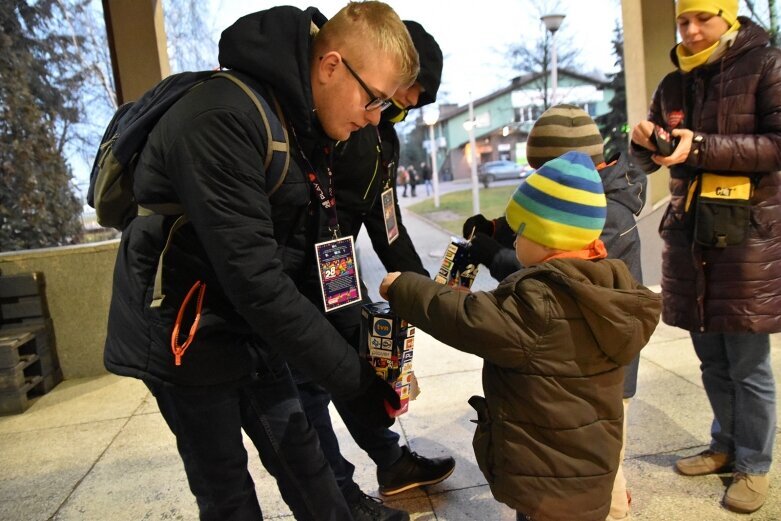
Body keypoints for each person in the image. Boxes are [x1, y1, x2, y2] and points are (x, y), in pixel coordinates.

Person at [102, 3, 419, 520]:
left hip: (246, 324)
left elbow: (319, 254)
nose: (373, 117)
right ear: (331, 66)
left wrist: (361, 351)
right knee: (227, 488)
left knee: (305, 461)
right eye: (375, 98)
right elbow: (256, 281)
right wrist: (354, 381)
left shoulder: (306, 125)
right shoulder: (221, 117)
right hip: (184, 331)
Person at [379, 151, 662, 521]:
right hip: (589, 467)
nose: (514, 243)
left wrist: (405, 288)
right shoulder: (606, 286)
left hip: (546, 479)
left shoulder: (541, 303)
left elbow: (469, 319)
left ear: (547, 239)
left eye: (520, 233)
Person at [292, 20, 453, 521]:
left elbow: (388, 226)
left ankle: (390, 462)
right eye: (410, 89)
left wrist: (424, 293)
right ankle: (338, 493)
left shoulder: (383, 138)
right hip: (298, 276)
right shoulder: (338, 119)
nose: (407, 103)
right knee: (311, 386)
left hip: (336, 272)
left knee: (357, 368)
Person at [629, 0, 781, 514]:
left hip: (747, 238)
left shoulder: (767, 64)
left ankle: (755, 466)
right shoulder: (674, 83)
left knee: (748, 363)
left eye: (703, 19)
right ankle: (725, 445)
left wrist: (701, 147)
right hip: (692, 236)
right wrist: (645, 142)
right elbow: (660, 153)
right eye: (683, 21)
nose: (691, 31)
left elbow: (777, 145)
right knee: (711, 357)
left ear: (729, 17)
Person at [462, 104, 648, 520]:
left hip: (602, 363)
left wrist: (497, 257)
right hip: (568, 357)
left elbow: (556, 272)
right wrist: (495, 228)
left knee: (601, 460)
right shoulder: (578, 195)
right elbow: (537, 225)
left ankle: (614, 512)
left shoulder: (606, 215)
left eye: (540, 176)